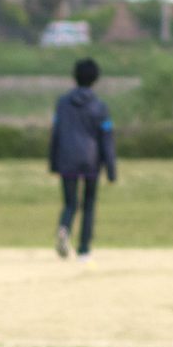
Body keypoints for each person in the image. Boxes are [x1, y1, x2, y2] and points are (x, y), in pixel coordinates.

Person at [47, 56, 117, 262]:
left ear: (74, 77)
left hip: (66, 158)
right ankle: (84, 249)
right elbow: (106, 139)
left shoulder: (62, 104)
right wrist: (111, 169)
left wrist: (53, 162)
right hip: (91, 161)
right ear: (95, 79)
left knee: (69, 203)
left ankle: (64, 228)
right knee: (89, 204)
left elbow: (56, 133)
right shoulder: (99, 107)